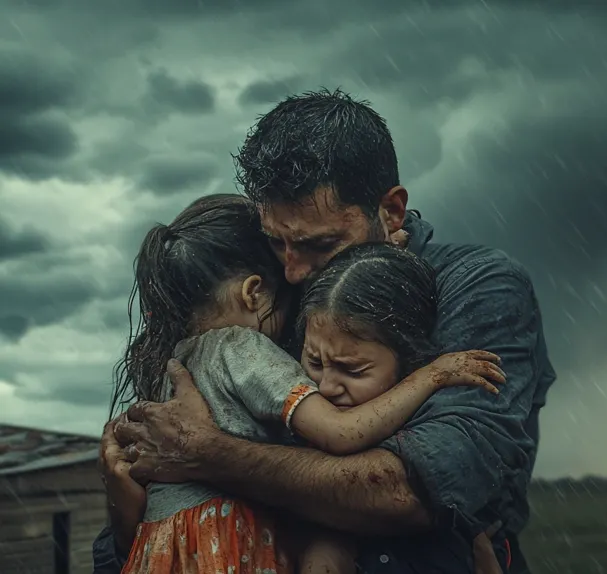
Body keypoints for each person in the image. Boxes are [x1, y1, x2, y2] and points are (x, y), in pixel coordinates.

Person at [95, 89, 556, 574]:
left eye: (321, 244)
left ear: (392, 211)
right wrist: (128, 496)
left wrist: (210, 455)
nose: (294, 271)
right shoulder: (272, 299)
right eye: (278, 242)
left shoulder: (475, 286)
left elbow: (419, 490)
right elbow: (131, 526)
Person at [112, 195, 506, 573]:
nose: (327, 385)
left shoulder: (170, 365)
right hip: (224, 542)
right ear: (254, 291)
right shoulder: (243, 348)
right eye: (313, 360)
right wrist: (434, 374)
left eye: (352, 369)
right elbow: (340, 432)